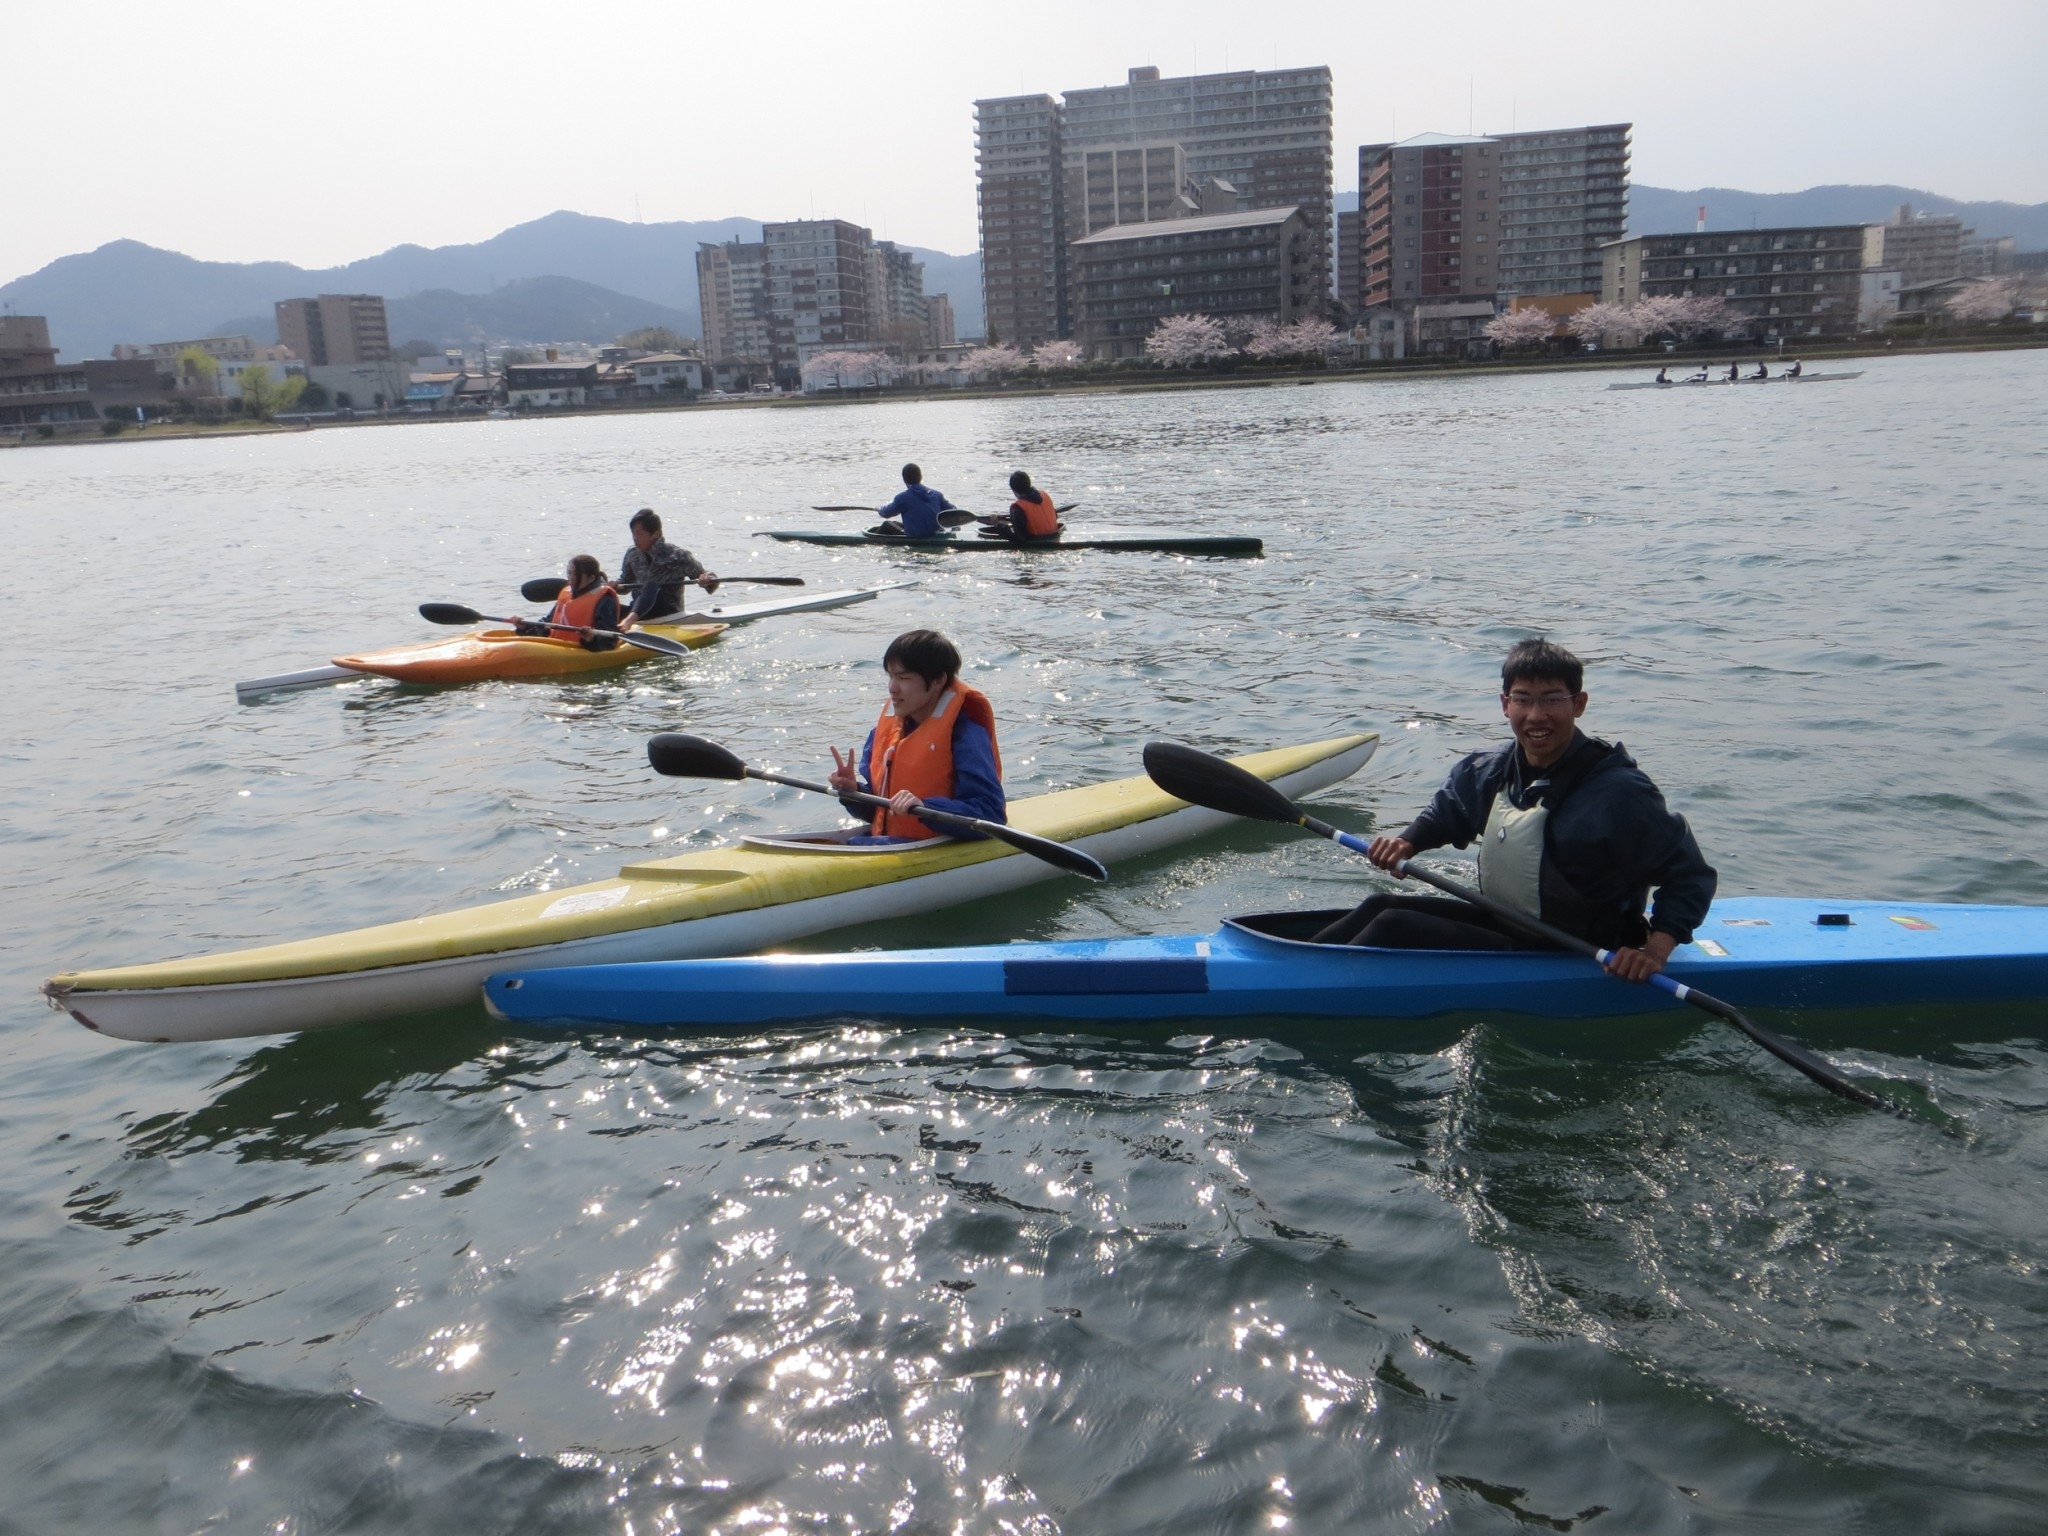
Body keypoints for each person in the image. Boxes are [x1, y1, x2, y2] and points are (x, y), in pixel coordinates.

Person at [1316, 638, 1716, 984]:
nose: (1536, 716)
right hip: (1510, 923)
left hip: (1578, 949)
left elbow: (1690, 875)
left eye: (1552, 700)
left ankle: (1313, 987)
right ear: (1506, 705)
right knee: (1381, 906)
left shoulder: (1619, 793)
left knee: (1394, 926)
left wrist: (1654, 953)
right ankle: (1297, 964)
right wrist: (1406, 842)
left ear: (1578, 704)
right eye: (1523, 700)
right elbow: (1448, 811)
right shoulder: (1491, 769)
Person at [826, 629, 1006, 842]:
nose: (892, 688)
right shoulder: (889, 730)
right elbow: (879, 812)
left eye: (903, 678)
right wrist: (853, 792)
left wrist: (925, 808)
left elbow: (990, 813)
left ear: (938, 680)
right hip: (889, 843)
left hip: (934, 844)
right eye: (891, 676)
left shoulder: (966, 734)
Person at [616, 508, 718, 629]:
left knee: (651, 586)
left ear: (656, 533)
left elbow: (710, 581)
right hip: (638, 611)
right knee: (605, 600)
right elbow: (625, 585)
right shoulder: (632, 554)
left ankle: (628, 622)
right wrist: (614, 586)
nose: (635, 538)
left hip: (669, 613)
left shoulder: (677, 556)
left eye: (640, 534)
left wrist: (707, 579)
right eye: (633, 533)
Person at [515, 554, 620, 650]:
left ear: (591, 578)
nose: (571, 578)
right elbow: (547, 625)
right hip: (557, 647)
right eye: (569, 573)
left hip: (582, 650)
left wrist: (590, 639)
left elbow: (609, 642)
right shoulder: (566, 594)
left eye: (576, 574)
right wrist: (525, 627)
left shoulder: (605, 599)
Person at [875, 463, 958, 538]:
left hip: (917, 537)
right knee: (895, 523)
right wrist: (954, 528)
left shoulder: (903, 498)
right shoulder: (936, 494)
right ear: (921, 477)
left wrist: (879, 508)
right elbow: (954, 510)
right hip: (936, 533)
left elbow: (886, 513)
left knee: (887, 524)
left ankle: (872, 541)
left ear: (904, 480)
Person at [988, 470, 1060, 542]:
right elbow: (1055, 516)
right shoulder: (1044, 495)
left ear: (1014, 490)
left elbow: (1019, 539)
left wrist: (997, 525)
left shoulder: (1017, 508)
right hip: (1055, 538)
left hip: (1036, 544)